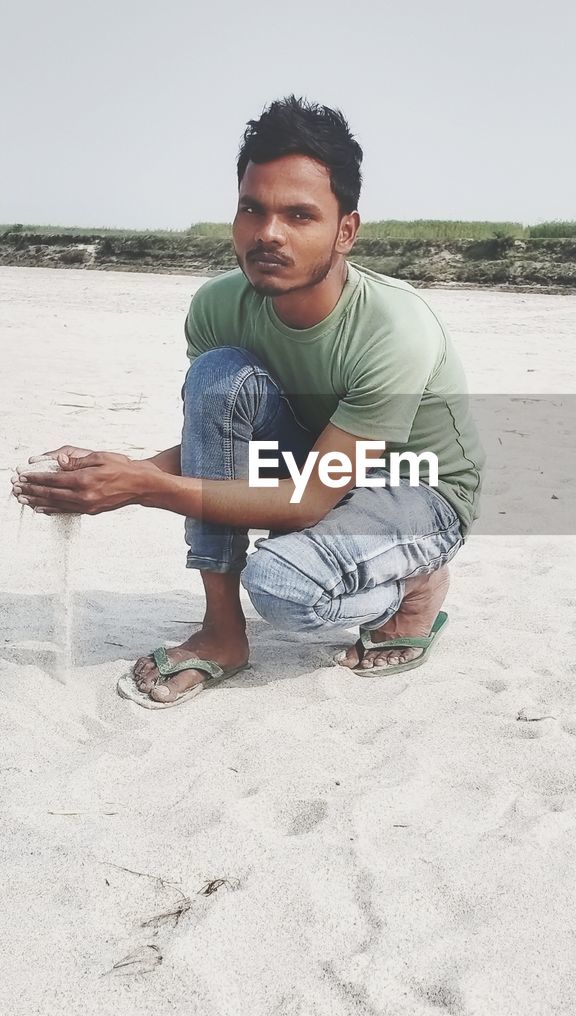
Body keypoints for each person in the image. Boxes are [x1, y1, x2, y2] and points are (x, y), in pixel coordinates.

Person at [12, 95, 486, 708]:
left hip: (419, 488)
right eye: (251, 209)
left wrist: (143, 489)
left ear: (346, 230)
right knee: (219, 375)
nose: (269, 234)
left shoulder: (395, 329)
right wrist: (119, 470)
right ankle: (221, 633)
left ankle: (414, 585)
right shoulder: (218, 307)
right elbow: (220, 437)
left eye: (299, 216)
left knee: (285, 587)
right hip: (322, 458)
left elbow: (312, 496)